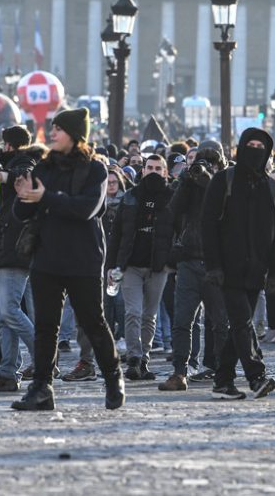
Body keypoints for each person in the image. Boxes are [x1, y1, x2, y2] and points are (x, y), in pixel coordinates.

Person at [10, 108, 124, 411]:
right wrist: (22, 196)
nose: (52, 134)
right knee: (46, 326)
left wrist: (44, 198)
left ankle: (113, 379)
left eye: (58, 129)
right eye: (53, 128)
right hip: (47, 257)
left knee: (93, 322)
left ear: (75, 134)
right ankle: (42, 389)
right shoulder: (44, 167)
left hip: (83, 258)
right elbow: (22, 213)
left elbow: (85, 209)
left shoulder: (96, 170)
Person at [201, 128, 275, 400]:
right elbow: (208, 225)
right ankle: (256, 376)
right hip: (227, 270)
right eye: (251, 144)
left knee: (241, 325)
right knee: (242, 322)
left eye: (261, 146)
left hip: (257, 270)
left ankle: (222, 381)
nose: (255, 150)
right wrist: (213, 266)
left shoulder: (273, 188)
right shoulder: (223, 181)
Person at [0, 126, 45, 392]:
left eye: (4, 144)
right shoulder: (15, 160)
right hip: (4, 247)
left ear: (9, 145)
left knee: (9, 310)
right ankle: (7, 372)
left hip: (16, 247)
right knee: (3, 316)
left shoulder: (24, 162)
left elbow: (24, 176)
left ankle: (44, 357)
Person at [161, 141, 230, 391]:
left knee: (221, 323)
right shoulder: (189, 183)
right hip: (189, 259)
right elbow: (173, 209)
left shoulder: (225, 181)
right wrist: (188, 181)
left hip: (216, 262)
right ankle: (180, 372)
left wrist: (206, 178)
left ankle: (224, 372)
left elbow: (224, 205)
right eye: (202, 160)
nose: (205, 166)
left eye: (211, 161)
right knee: (182, 320)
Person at [107, 153, 176, 381]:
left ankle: (144, 358)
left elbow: (178, 231)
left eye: (158, 168)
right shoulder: (130, 197)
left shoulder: (172, 198)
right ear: (143, 170)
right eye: (150, 168)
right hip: (130, 265)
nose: (154, 171)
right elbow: (116, 234)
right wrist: (112, 267)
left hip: (158, 266)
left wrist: (171, 259)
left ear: (165, 172)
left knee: (149, 315)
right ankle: (134, 358)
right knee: (133, 312)